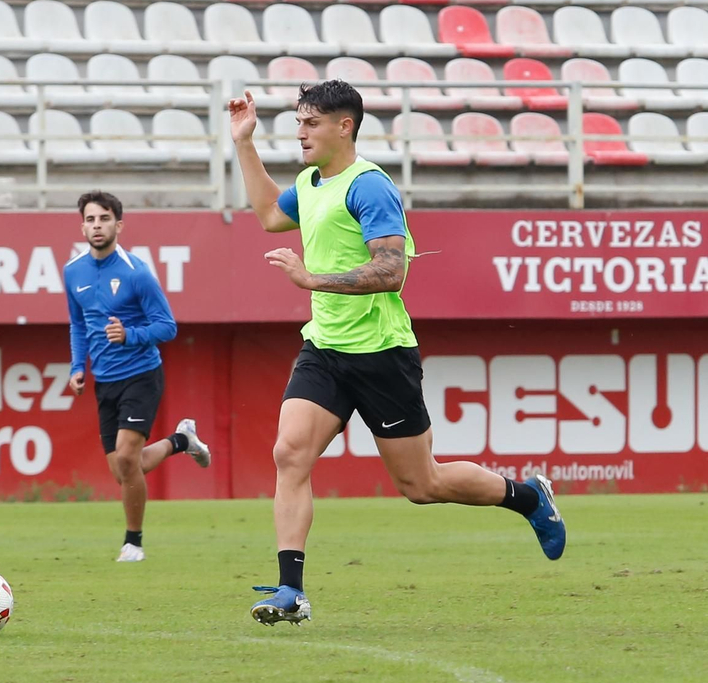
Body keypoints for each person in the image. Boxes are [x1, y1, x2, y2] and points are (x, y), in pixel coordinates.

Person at [228, 81, 566, 626]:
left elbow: (391, 271)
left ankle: (527, 497)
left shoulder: (370, 187)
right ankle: (291, 590)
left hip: (382, 354)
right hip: (325, 348)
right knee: (289, 454)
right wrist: (244, 141)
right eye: (297, 122)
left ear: (345, 126)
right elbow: (270, 214)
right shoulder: (311, 182)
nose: (300, 132)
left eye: (311, 123)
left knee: (421, 485)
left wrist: (310, 277)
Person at [65, 191, 212, 563]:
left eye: (104, 219)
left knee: (128, 458)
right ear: (82, 225)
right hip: (104, 381)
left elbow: (167, 326)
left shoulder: (136, 273)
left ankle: (133, 542)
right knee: (124, 469)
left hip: (141, 375)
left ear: (119, 224)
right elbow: (78, 324)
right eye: (91, 219)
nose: (97, 226)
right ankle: (182, 440)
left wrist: (130, 335)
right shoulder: (73, 272)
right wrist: (77, 367)